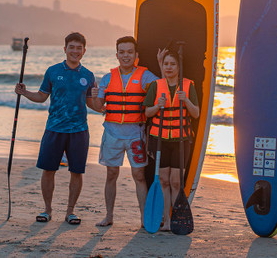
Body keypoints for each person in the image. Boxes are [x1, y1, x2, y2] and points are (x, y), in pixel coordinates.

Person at [14, 32, 96, 225]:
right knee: (48, 170)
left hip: (79, 130)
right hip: (54, 128)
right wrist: (24, 92)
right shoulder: (52, 71)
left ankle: (70, 212)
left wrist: (105, 106)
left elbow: (91, 103)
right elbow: (42, 96)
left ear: (84, 51)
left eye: (79, 48)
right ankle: (47, 210)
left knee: (77, 172)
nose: (75, 51)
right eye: (71, 47)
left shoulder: (88, 75)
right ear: (65, 49)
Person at [88, 36, 162, 227]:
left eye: (129, 52)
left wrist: (162, 64)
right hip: (112, 133)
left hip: (136, 134)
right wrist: (95, 97)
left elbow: (162, 87)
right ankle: (109, 216)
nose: (126, 55)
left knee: (139, 175)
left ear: (136, 55)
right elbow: (98, 106)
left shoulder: (145, 76)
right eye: (122, 52)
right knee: (111, 174)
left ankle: (144, 219)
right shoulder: (107, 78)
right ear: (117, 55)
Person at [143, 50, 199, 231]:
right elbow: (147, 113)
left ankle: (176, 219)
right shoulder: (156, 85)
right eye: (166, 64)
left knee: (176, 182)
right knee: (163, 181)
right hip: (160, 139)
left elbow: (196, 113)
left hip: (180, 141)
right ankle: (166, 221)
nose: (169, 67)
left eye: (172, 64)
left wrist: (186, 100)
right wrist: (157, 105)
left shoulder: (188, 86)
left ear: (179, 67)